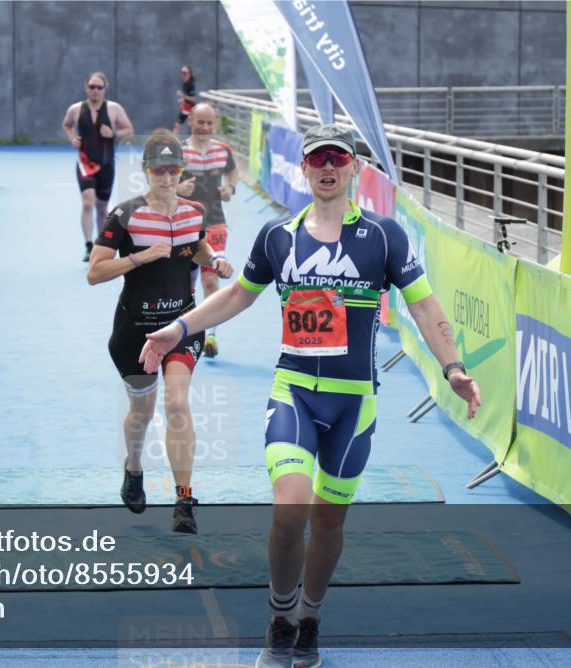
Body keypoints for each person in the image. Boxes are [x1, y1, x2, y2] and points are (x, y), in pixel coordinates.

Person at [139, 124, 482, 667]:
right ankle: (279, 616)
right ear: (304, 168)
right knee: (291, 506)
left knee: (329, 519)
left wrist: (454, 366)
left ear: (353, 169)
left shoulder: (385, 236)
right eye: (317, 159)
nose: (327, 168)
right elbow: (235, 298)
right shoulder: (279, 236)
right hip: (294, 391)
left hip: (354, 404)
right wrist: (177, 330)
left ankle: (311, 619)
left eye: (337, 160)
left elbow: (425, 307)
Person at [88, 129, 233, 534]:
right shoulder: (125, 214)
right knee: (142, 412)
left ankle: (184, 499)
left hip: (183, 325)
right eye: (158, 171)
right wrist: (140, 258)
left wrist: (215, 259)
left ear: (181, 169)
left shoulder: (194, 211)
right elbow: (94, 273)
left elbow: (197, 247)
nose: (166, 178)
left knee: (177, 405)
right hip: (134, 332)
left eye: (172, 170)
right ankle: (133, 467)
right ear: (146, 171)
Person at [178, 103, 238, 358]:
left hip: (214, 221)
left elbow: (233, 173)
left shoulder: (222, 151)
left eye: (209, 123)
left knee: (210, 278)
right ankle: (184, 329)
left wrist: (230, 189)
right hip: (184, 224)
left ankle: (210, 336)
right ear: (190, 121)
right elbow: (161, 183)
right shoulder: (179, 152)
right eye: (200, 122)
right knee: (187, 281)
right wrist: (179, 190)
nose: (205, 128)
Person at [62, 72, 135, 262]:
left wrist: (113, 133)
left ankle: (100, 244)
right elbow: (67, 125)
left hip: (106, 164)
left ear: (104, 89)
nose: (95, 91)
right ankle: (88, 246)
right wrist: (73, 139)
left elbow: (129, 130)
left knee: (102, 208)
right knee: (87, 202)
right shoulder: (76, 109)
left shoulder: (114, 109)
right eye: (92, 86)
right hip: (85, 162)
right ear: (86, 87)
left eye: (99, 87)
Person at [171, 65, 197, 135]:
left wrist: (183, 96)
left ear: (189, 74)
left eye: (185, 73)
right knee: (177, 125)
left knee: (194, 126)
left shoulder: (191, 84)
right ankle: (172, 143)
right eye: (182, 73)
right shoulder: (185, 83)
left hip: (191, 109)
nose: (183, 75)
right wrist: (182, 100)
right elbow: (187, 97)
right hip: (185, 109)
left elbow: (193, 99)